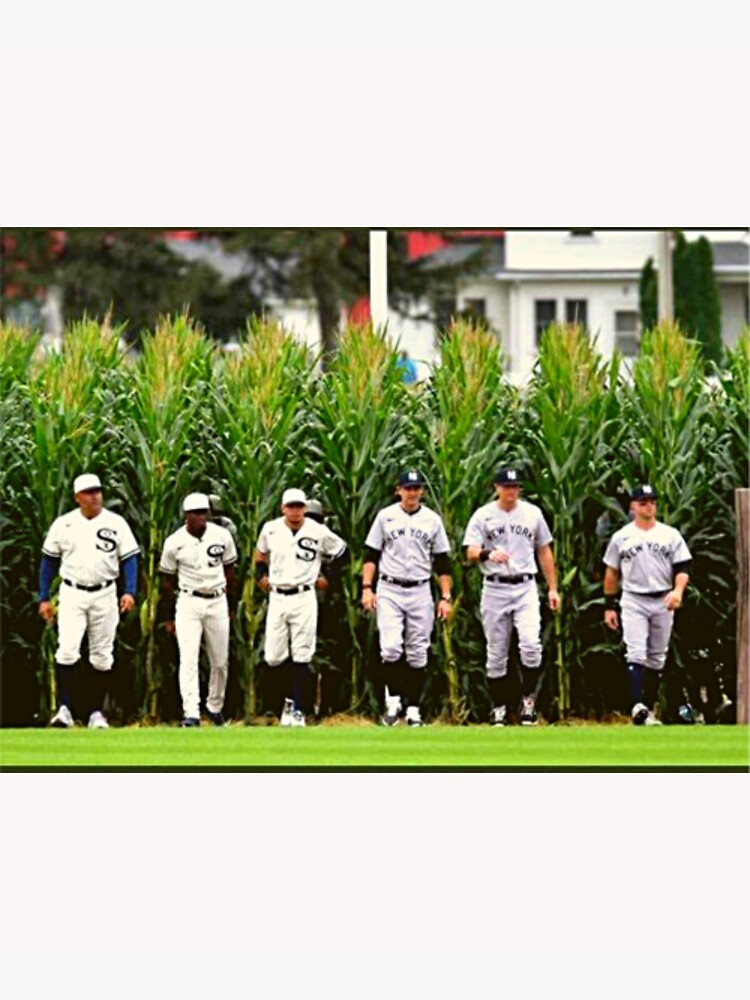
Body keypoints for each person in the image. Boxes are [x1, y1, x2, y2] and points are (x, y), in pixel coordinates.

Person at [39, 473, 139, 729]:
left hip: (105, 592)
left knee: (102, 654)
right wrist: (44, 597)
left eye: (97, 491)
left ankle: (96, 712)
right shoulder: (64, 524)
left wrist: (129, 591)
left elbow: (129, 558)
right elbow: (49, 561)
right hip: (72, 592)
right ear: (77, 497)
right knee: (67, 649)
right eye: (89, 492)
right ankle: (64, 710)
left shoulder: (116, 523)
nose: (95, 496)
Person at [463, 467, 560, 726]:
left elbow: (544, 550)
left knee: (531, 646)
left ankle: (528, 703)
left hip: (525, 585)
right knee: (496, 653)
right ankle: (499, 708)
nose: (511, 491)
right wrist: (487, 554)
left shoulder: (532, 513)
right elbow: (470, 551)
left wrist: (552, 587)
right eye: (506, 487)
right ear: (496, 488)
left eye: (515, 487)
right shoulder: (483, 515)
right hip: (495, 587)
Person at [361, 469, 453, 727]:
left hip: (420, 589)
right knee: (390, 648)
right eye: (407, 488)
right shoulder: (385, 516)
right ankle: (393, 702)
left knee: (417, 652)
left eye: (416, 488)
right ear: (398, 490)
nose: (412, 493)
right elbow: (371, 554)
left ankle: (413, 708)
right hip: (390, 587)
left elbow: (443, 561)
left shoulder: (432, 520)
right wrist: (367, 588)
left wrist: (446, 597)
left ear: (422, 491)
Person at [254, 488, 348, 727]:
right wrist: (260, 576)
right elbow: (260, 554)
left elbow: (342, 552)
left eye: (299, 506)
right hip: (278, 595)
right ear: (283, 508)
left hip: (304, 595)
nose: (295, 511)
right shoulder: (271, 529)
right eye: (291, 506)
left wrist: (328, 577)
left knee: (302, 653)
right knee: (273, 656)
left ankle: (296, 708)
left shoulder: (317, 531)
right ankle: (285, 702)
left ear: (305, 508)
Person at [603, 483, 692, 725]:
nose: (649, 506)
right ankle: (637, 705)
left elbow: (682, 567)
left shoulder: (669, 534)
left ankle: (648, 711)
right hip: (634, 598)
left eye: (652, 502)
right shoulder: (621, 537)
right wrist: (609, 605)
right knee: (636, 653)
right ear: (633, 506)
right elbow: (612, 572)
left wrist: (678, 591)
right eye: (643, 502)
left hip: (663, 598)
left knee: (657, 657)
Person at [159, 492, 238, 727]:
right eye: (196, 513)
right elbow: (166, 580)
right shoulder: (175, 541)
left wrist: (231, 605)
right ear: (187, 515)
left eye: (204, 512)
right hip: (189, 601)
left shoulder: (221, 536)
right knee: (189, 658)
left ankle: (215, 706)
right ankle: (191, 712)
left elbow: (230, 571)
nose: (201, 517)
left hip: (217, 599)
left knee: (220, 660)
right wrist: (169, 615)